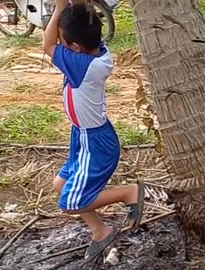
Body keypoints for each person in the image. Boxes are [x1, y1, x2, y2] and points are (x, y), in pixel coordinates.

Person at [41, 0, 144, 262]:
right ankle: (100, 230)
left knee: (71, 203)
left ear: (75, 48)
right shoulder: (96, 53)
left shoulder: (82, 66)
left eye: (66, 44)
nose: (62, 46)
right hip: (84, 137)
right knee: (60, 185)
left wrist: (59, 8)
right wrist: (73, 6)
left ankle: (128, 193)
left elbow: (47, 45)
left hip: (94, 142)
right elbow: (81, 17)